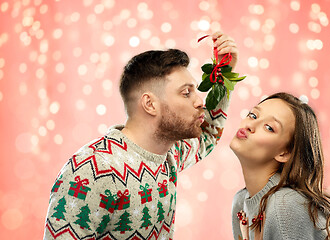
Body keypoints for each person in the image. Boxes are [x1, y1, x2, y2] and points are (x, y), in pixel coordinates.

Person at [44, 32, 238, 240]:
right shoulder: (90, 170)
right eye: (186, 93)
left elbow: (207, 134)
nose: (200, 102)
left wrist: (223, 73)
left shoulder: (170, 153)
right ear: (150, 104)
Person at [230, 92, 330, 240]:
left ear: (284, 153)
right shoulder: (241, 202)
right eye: (253, 115)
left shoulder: (285, 206)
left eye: (269, 127)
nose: (250, 125)